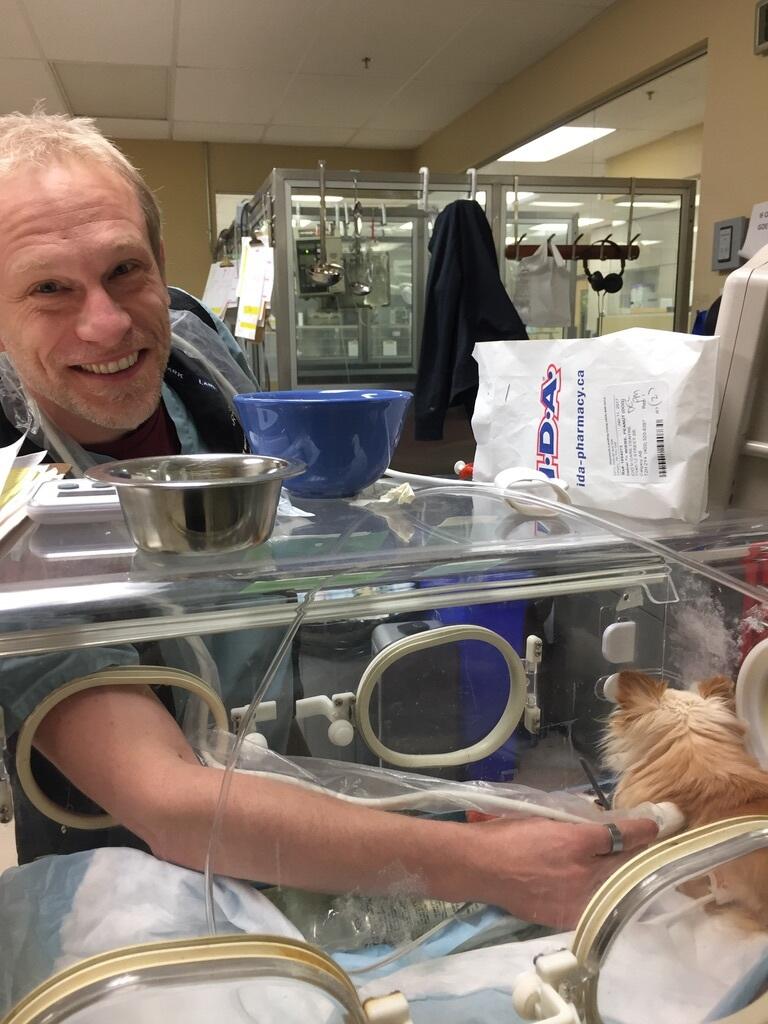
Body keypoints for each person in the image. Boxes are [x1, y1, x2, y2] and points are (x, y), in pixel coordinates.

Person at [0, 111, 657, 930]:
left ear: (159, 263)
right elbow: (166, 799)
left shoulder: (196, 347)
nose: (107, 323)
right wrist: (493, 867)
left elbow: (297, 527)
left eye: (124, 270)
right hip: (131, 878)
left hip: (292, 785)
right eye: (49, 288)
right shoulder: (13, 488)